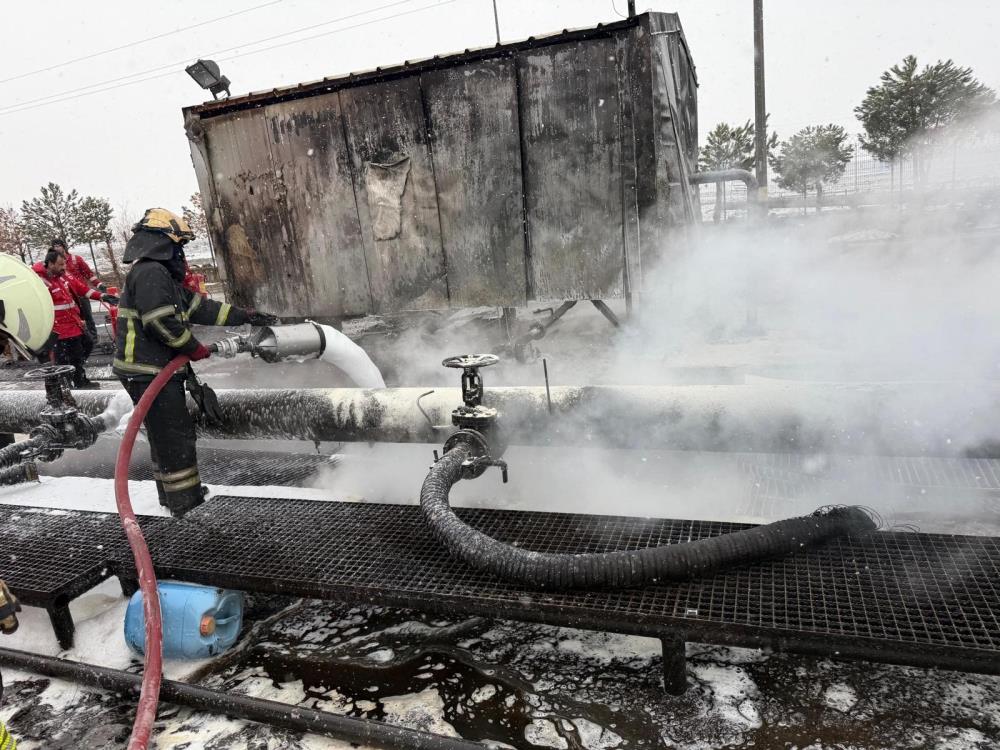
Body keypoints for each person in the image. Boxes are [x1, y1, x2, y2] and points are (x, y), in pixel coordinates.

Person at [114, 208, 278, 517]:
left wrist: (246, 315)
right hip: (149, 372)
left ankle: (170, 496)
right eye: (179, 246)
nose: (182, 254)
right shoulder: (151, 273)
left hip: (150, 371)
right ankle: (185, 502)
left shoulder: (158, 275)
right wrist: (193, 347)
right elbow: (159, 322)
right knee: (175, 437)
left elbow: (201, 308)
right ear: (164, 243)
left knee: (163, 435)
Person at [35, 250, 118, 388]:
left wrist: (102, 296)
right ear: (50, 264)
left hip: (73, 324)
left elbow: (81, 288)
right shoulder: (40, 282)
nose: (64, 267)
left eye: (65, 264)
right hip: (58, 330)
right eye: (61, 264)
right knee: (66, 358)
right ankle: (70, 384)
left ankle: (75, 377)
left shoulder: (62, 276)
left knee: (86, 346)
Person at [49, 238, 107, 343]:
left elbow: (88, 274)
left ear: (64, 246)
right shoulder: (52, 264)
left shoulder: (76, 259)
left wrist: (99, 284)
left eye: (58, 245)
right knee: (74, 320)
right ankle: (81, 340)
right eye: (54, 246)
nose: (56, 248)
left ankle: (93, 339)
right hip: (67, 297)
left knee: (87, 317)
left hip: (82, 294)